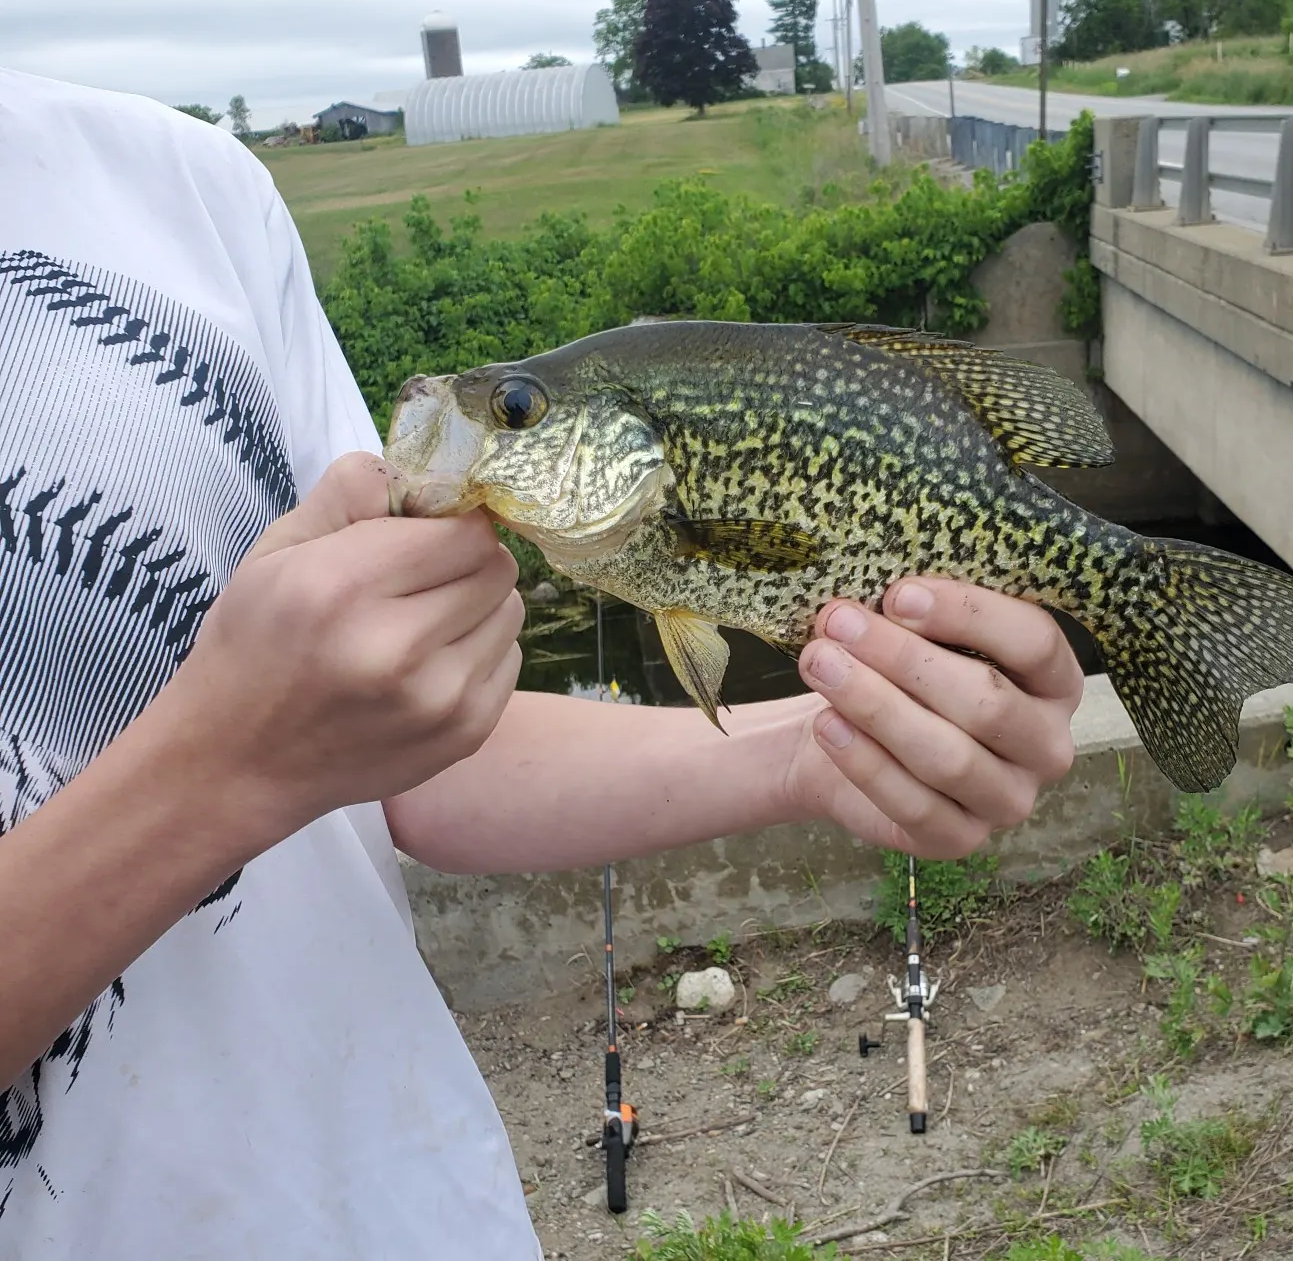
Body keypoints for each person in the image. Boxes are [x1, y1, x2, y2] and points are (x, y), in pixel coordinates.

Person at [0, 66, 1082, 1259]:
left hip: (411, 1207)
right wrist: (219, 771)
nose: (472, 423)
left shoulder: (186, 187)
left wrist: (822, 754)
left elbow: (401, 770)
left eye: (512, 412)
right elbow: (269, 752)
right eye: (511, 411)